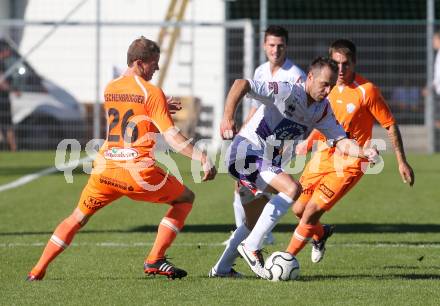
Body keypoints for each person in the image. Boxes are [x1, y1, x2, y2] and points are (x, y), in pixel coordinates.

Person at [26, 36, 216, 281]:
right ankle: (155, 258)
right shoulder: (151, 92)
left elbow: (131, 125)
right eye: (153, 63)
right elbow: (171, 135)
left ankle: (37, 271)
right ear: (139, 62)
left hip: (105, 169)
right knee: (185, 198)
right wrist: (201, 157)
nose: (156, 68)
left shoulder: (111, 87)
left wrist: (156, 110)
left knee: (77, 217)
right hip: (138, 173)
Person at [211, 57, 379, 279]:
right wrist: (227, 117)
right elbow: (241, 84)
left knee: (252, 222)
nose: (328, 90)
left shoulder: (321, 110)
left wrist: (363, 152)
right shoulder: (287, 91)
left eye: (331, 85)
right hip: (245, 151)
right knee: (292, 189)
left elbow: (340, 140)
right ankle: (252, 247)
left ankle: (221, 269)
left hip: (264, 163)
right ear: (310, 77)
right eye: (324, 84)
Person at [285, 39, 415, 265]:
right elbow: (323, 121)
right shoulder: (328, 87)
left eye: (346, 64)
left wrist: (401, 161)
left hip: (351, 163)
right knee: (298, 209)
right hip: (323, 156)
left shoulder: (367, 91)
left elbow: (390, 124)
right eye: (337, 64)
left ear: (354, 63)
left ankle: (285, 259)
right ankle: (320, 233)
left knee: (310, 212)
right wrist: (307, 142)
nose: (341, 69)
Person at [227, 25, 306, 247]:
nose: (276, 50)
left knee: (264, 186)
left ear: (287, 46)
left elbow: (297, 114)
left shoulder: (295, 75)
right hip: (258, 137)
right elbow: (255, 106)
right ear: (264, 46)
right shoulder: (261, 70)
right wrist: (243, 131)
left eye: (280, 45)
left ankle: (256, 235)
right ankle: (247, 233)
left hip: (280, 141)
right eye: (271, 45)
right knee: (244, 184)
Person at [0, 41, 17, 151]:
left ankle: (12, 149)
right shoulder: (1, 63)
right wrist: (12, 89)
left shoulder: (4, 63)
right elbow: (2, 82)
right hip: (2, 98)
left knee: (6, 125)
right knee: (8, 125)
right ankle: (13, 148)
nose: (9, 53)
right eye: (7, 50)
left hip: (4, 98)